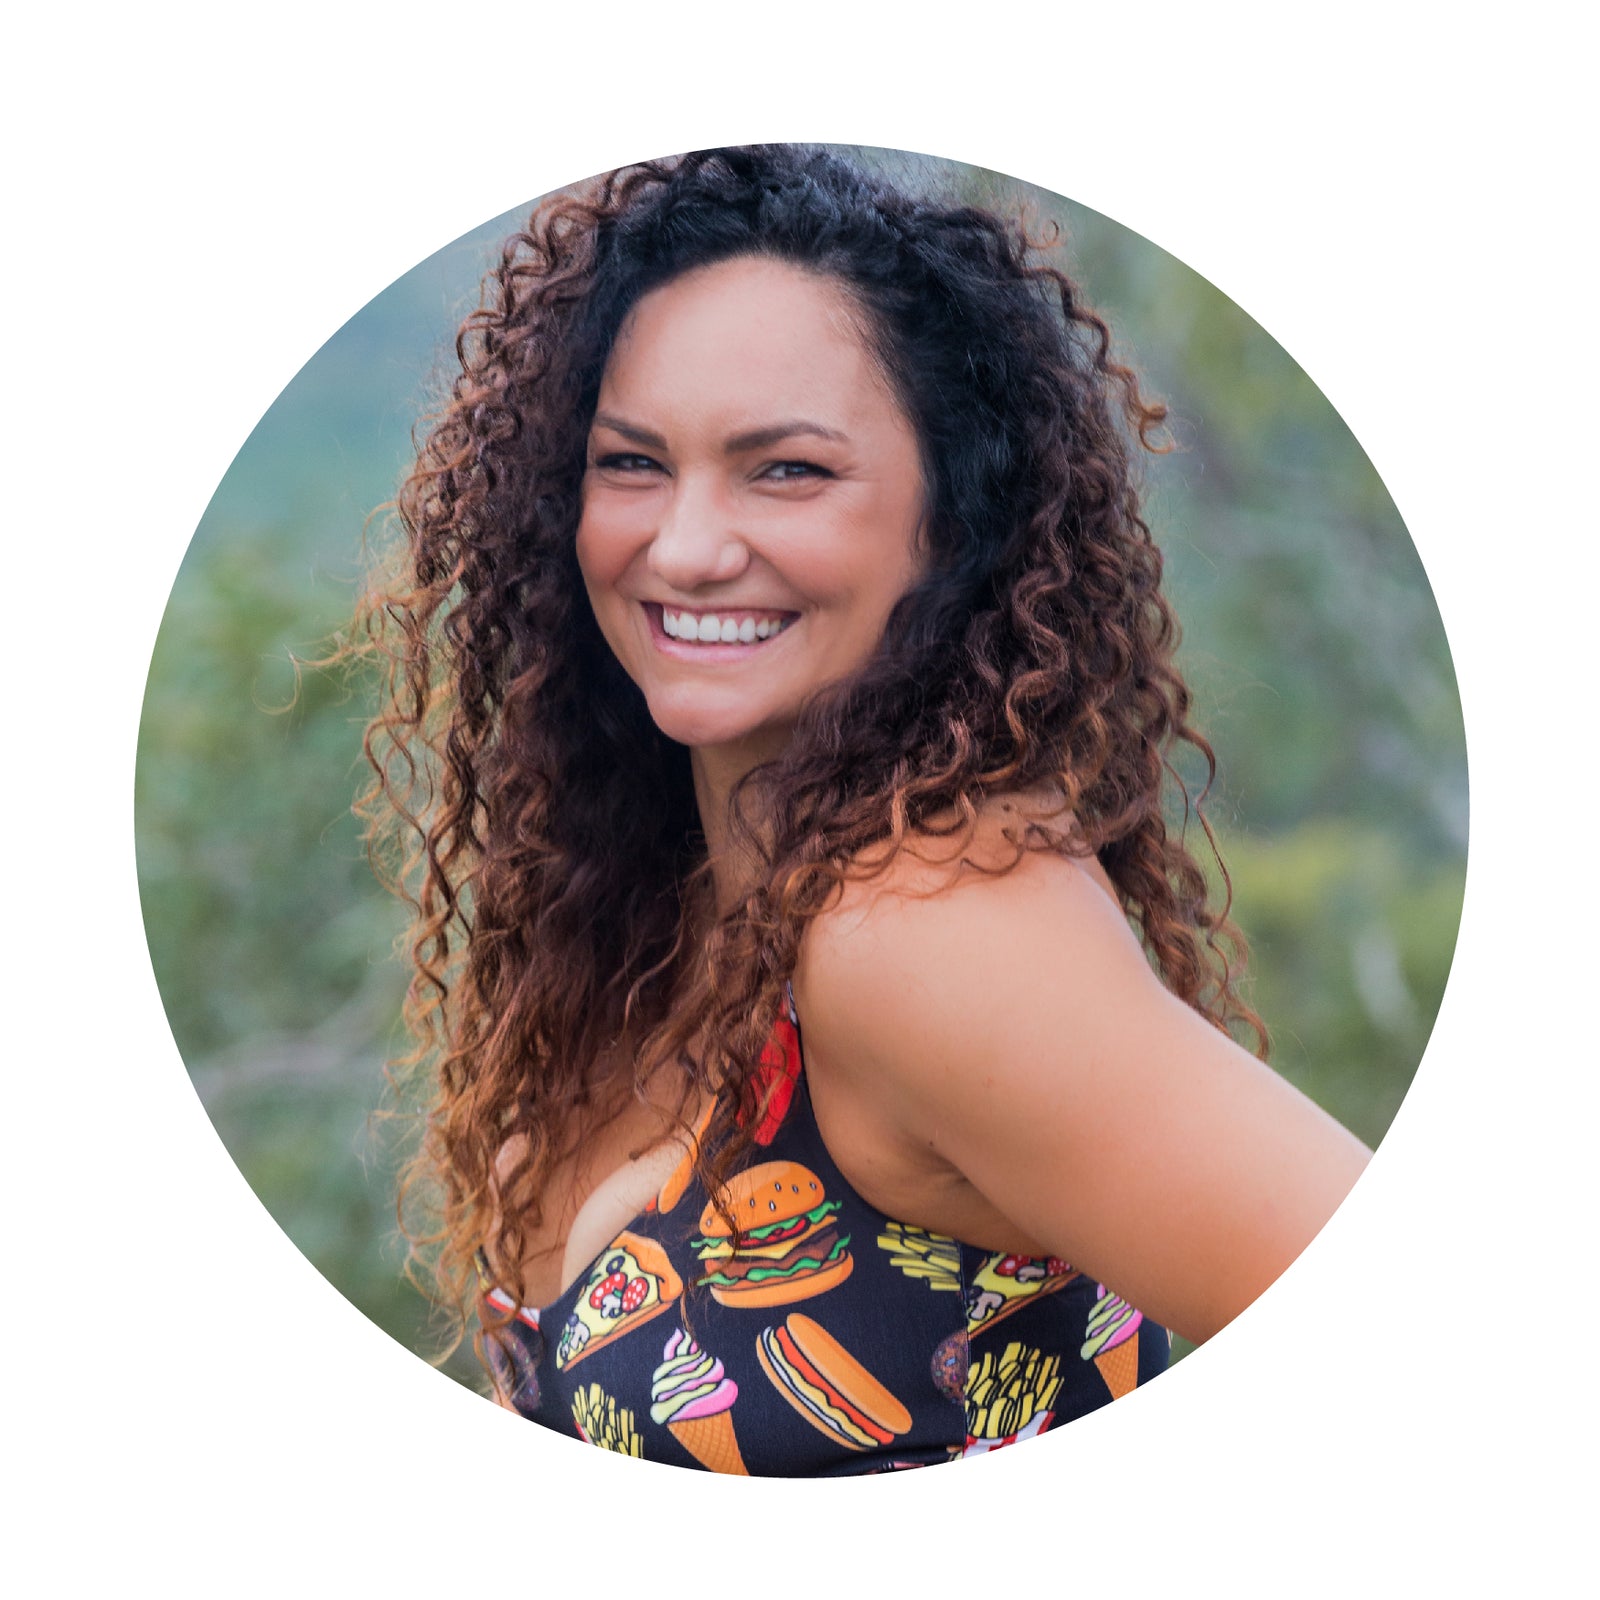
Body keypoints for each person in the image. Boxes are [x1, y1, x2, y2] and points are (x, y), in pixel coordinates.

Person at [354, 144, 1371, 1474]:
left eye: (786, 471)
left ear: (954, 515)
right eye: (632, 464)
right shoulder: (655, 907)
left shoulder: (926, 925)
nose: (685, 547)